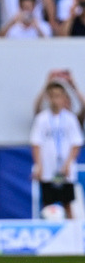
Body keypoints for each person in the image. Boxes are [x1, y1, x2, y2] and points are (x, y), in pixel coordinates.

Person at [31, 81, 83, 219]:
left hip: (64, 169)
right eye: (52, 96)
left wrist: (68, 164)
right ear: (48, 98)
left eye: (58, 96)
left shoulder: (70, 119)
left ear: (64, 97)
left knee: (67, 204)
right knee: (47, 205)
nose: (56, 99)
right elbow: (36, 142)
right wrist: (39, 165)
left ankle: (72, 232)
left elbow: (76, 143)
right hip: (48, 168)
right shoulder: (42, 119)